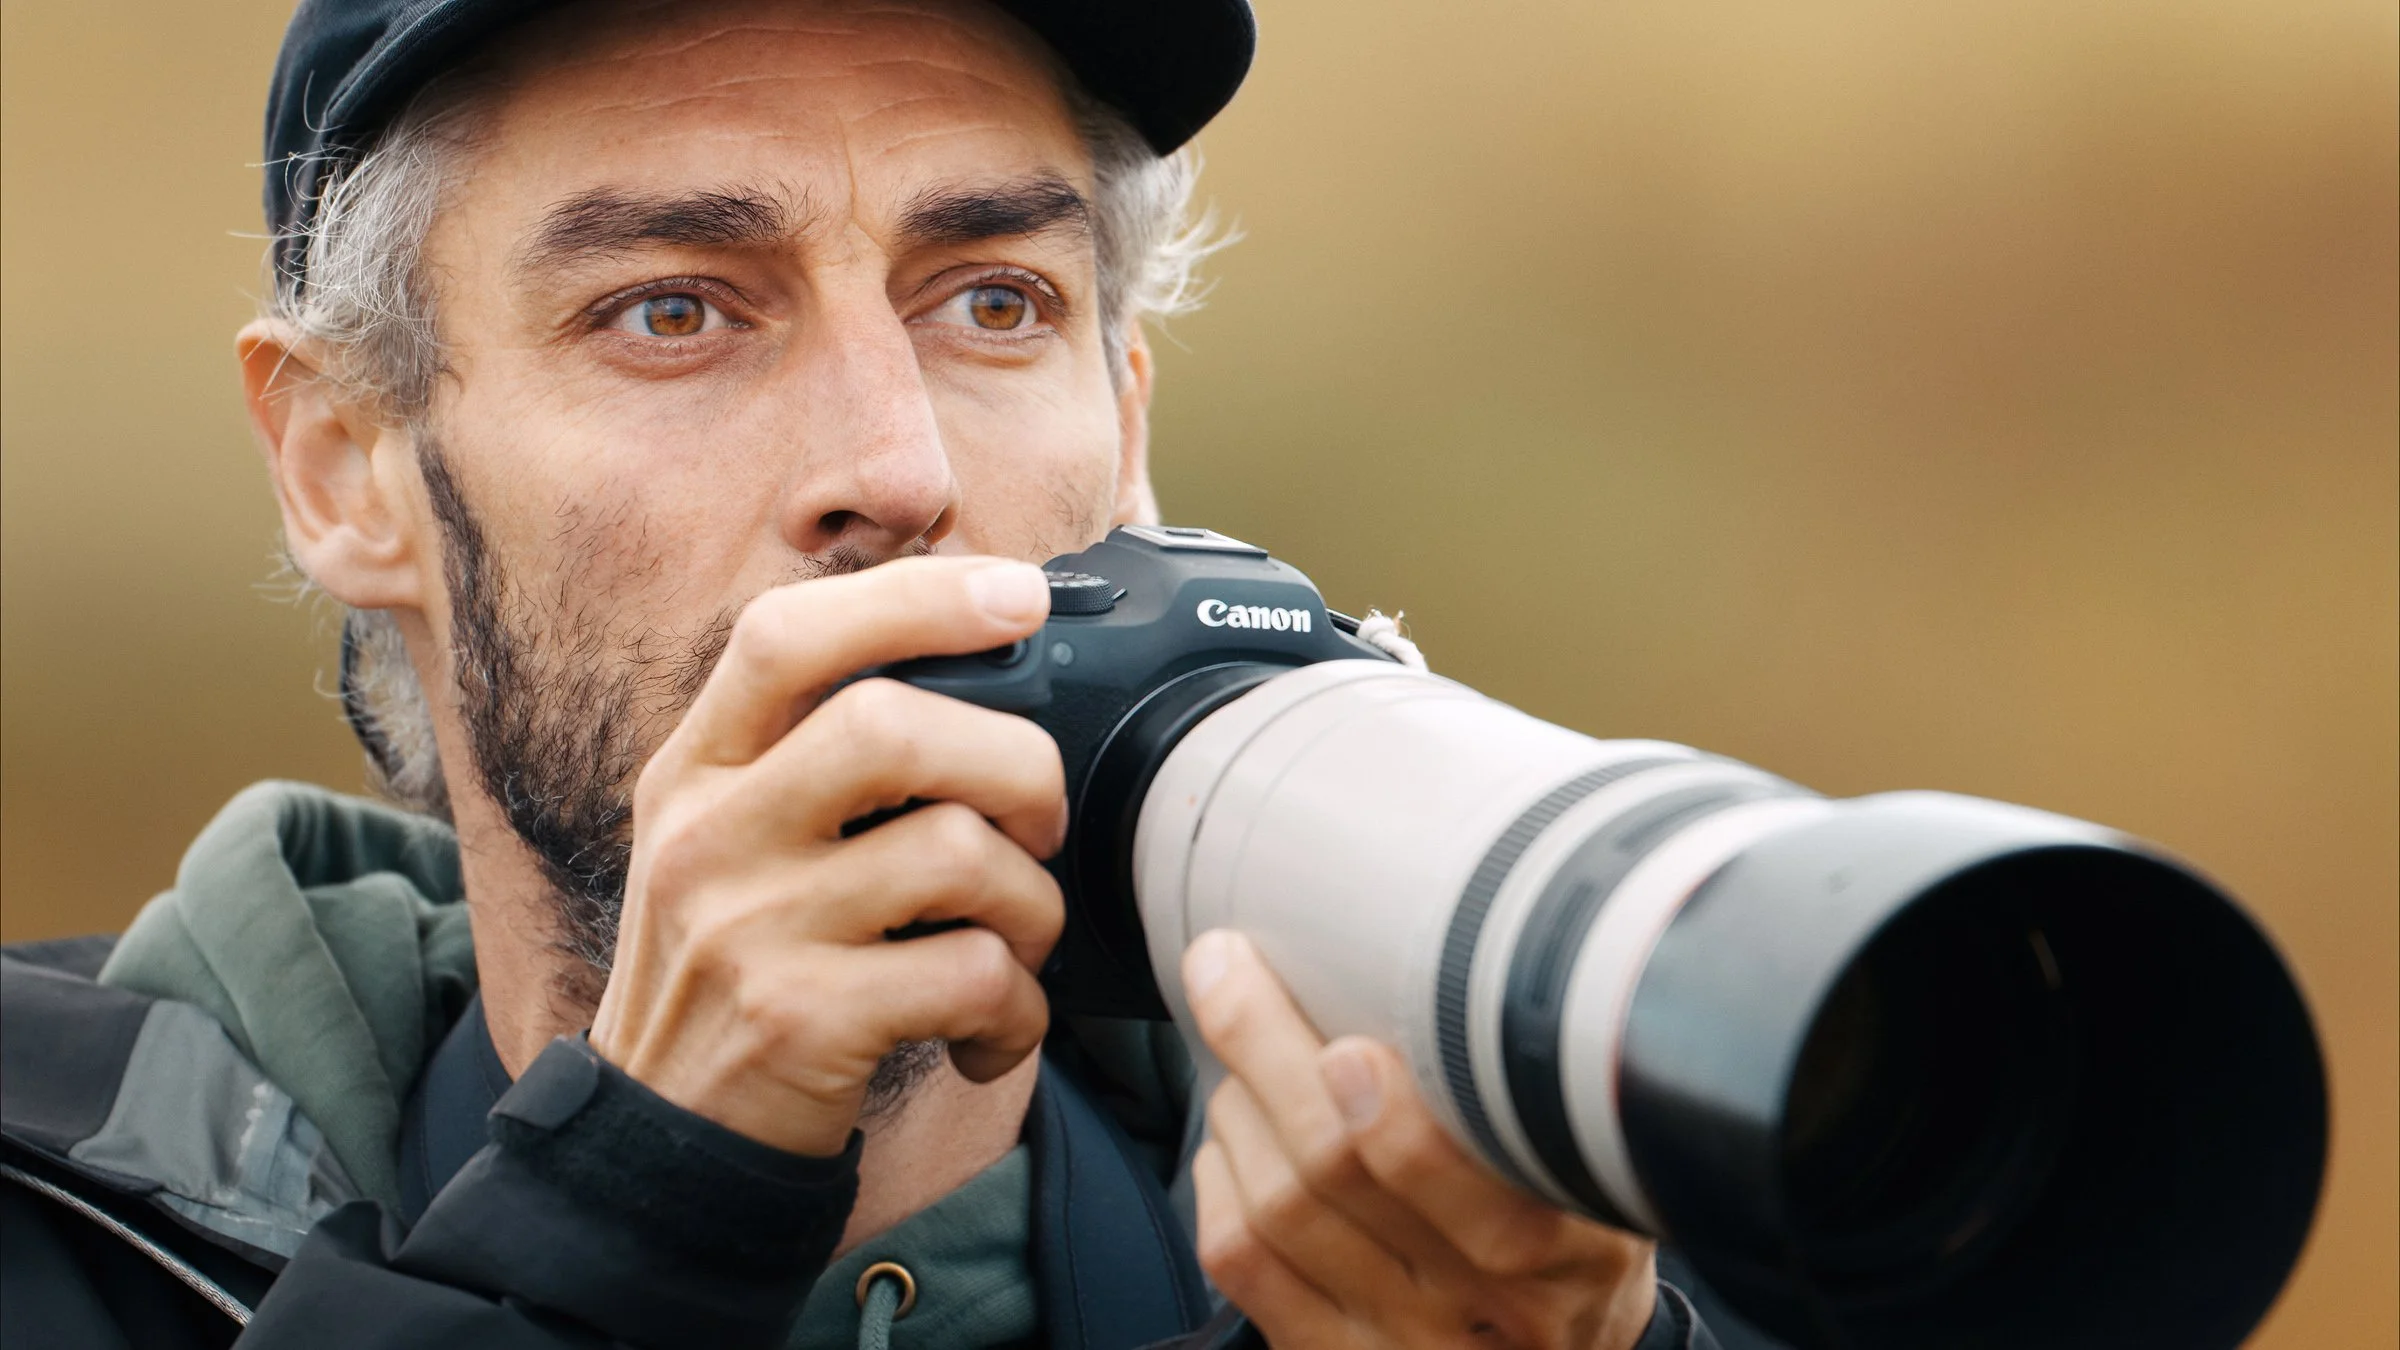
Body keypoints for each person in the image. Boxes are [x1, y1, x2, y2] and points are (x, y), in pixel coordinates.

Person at [0, 1, 1726, 1345]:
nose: (897, 466)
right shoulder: (55, 1235)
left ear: (1126, 428)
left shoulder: (1589, 1218)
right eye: (672, 309)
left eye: (994, 302)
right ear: (344, 468)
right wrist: (617, 1214)